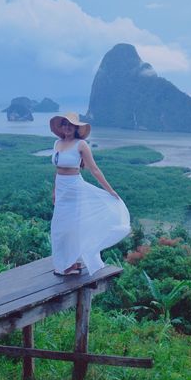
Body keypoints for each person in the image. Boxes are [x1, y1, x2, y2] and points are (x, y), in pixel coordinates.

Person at [49, 112, 131, 276]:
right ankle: (67, 263)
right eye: (64, 124)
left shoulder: (81, 145)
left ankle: (69, 264)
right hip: (61, 188)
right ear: (61, 127)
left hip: (75, 189)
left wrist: (110, 190)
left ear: (76, 128)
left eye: (70, 125)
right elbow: (57, 170)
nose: (67, 127)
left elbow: (94, 169)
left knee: (72, 227)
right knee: (59, 228)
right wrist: (54, 191)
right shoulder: (57, 143)